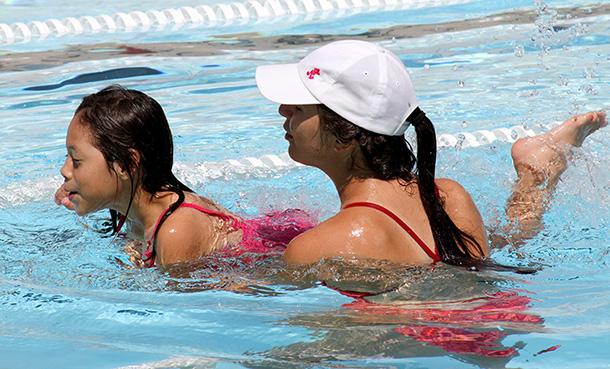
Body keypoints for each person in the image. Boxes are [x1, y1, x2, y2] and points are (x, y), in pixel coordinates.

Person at [255, 39, 607, 268]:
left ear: (343, 138)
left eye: (299, 108)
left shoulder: (318, 247)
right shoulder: (448, 196)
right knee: (500, 242)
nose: (282, 111)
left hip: (438, 339)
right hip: (502, 321)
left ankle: (538, 170)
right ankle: (536, 173)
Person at [55, 85, 315, 267]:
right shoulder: (133, 206)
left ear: (127, 164)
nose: (64, 170)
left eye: (76, 161)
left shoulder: (175, 231)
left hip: (271, 259)